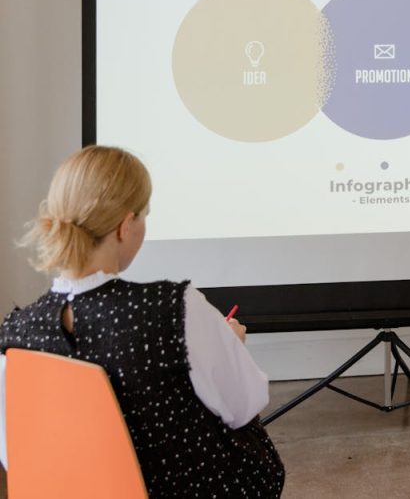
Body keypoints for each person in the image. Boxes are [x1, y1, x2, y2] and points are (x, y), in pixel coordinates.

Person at [0, 146, 285, 497]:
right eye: (144, 215)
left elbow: (19, 454)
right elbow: (247, 404)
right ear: (125, 225)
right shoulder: (174, 308)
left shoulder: (14, 337)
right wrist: (230, 348)